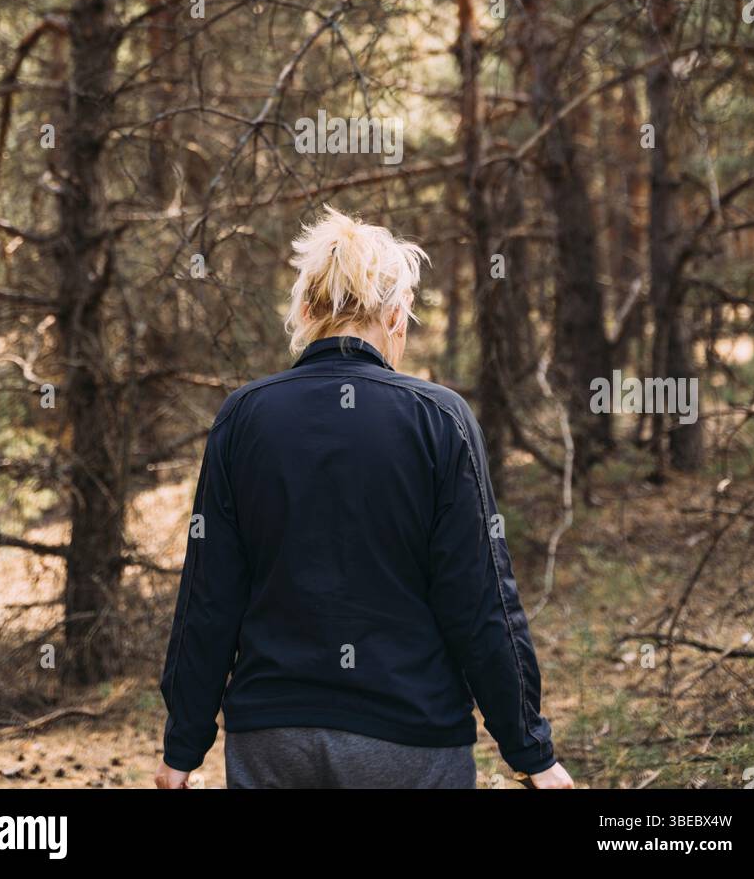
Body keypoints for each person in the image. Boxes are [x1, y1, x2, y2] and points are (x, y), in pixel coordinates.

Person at [155, 206, 573, 790]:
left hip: (274, 741)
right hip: (408, 741)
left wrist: (183, 745)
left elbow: (209, 596)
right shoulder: (439, 420)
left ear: (305, 311)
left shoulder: (244, 417)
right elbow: (479, 601)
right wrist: (529, 749)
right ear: (397, 314)